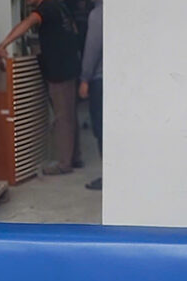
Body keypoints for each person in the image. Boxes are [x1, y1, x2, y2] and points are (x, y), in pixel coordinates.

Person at [0, 0, 82, 175]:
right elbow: (74, 30)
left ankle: (64, 163)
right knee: (69, 114)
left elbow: (27, 23)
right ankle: (75, 157)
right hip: (69, 66)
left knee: (62, 117)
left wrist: (4, 44)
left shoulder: (45, 8)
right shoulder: (60, 6)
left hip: (59, 70)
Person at [78, 0, 101, 190]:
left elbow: (92, 47)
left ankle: (109, 175)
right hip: (124, 80)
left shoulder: (98, 15)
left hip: (101, 79)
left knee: (102, 129)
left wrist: (85, 78)